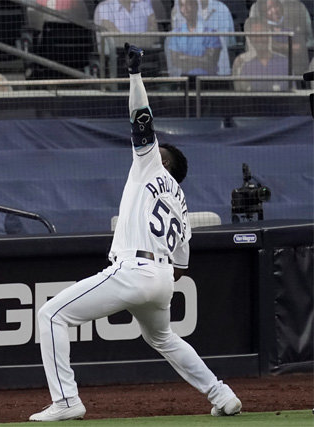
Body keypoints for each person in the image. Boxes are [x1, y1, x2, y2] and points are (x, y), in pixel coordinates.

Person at [28, 43, 242, 422]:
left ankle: (66, 401)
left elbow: (141, 117)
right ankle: (221, 394)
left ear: (163, 161)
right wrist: (154, 281)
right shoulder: (181, 201)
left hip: (135, 270)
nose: (146, 151)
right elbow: (181, 266)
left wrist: (135, 75)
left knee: (50, 315)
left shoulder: (150, 166)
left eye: (157, 152)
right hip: (162, 278)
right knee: (162, 337)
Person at [171, 0, 235, 75]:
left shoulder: (223, 9)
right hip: (187, 77)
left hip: (220, 75)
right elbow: (176, 56)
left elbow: (231, 45)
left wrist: (187, 58)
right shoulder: (177, 12)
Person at [249, 0, 311, 75]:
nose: (274, 10)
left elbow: (299, 47)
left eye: (276, 6)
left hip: (294, 69)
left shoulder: (295, 15)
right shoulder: (257, 11)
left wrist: (276, 45)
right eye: (268, 9)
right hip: (270, 71)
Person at [232, 17, 289, 91]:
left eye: (263, 33)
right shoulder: (241, 63)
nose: (260, 38)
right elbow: (240, 95)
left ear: (269, 36)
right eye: (256, 35)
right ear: (249, 38)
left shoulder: (284, 62)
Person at [93, 0, 159, 49]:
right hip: (118, 60)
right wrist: (145, 41)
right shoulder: (104, 7)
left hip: (146, 56)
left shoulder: (145, 5)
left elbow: (155, 37)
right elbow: (115, 40)